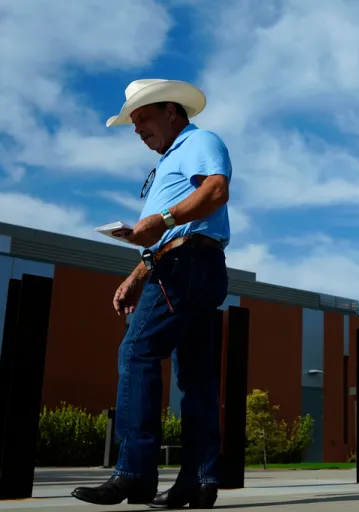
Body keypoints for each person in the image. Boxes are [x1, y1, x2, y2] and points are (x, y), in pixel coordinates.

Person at [71, 79, 232, 509]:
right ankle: (199, 481)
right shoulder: (170, 162)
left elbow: (215, 191)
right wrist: (136, 275)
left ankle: (135, 472)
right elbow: (173, 233)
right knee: (195, 378)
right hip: (186, 264)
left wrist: (160, 218)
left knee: (137, 353)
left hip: (188, 266)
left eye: (143, 118)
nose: (137, 128)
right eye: (133, 122)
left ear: (171, 112)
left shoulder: (199, 141)